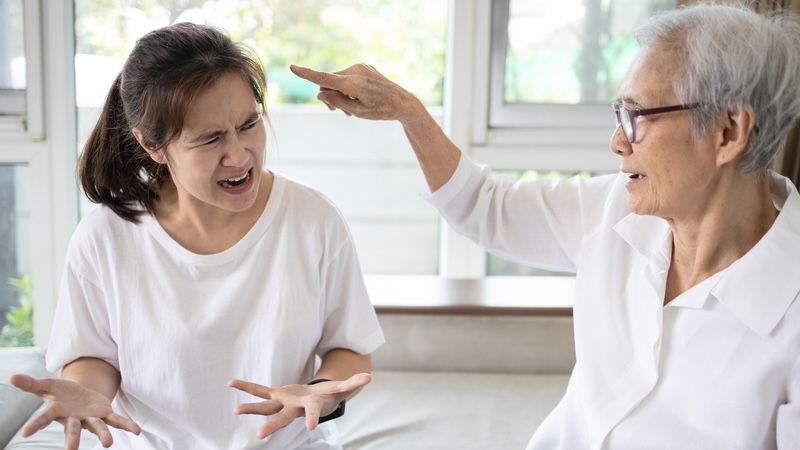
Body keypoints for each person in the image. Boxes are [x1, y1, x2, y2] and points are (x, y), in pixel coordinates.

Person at [290, 3, 800, 449]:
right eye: (620, 113)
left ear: (729, 131)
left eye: (638, 116)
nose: (617, 143)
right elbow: (485, 207)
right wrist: (410, 114)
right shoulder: (614, 208)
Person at [9, 22, 384, 450]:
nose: (240, 155)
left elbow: (349, 349)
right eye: (210, 139)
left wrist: (323, 390)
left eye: (249, 123)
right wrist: (88, 393)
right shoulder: (106, 237)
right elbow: (92, 354)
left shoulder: (313, 219)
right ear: (152, 146)